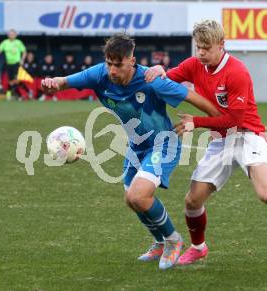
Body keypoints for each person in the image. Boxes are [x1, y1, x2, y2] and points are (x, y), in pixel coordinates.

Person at [145, 20, 267, 265]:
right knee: (192, 202)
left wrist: (197, 122)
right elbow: (168, 81)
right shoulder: (194, 64)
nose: (201, 52)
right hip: (221, 139)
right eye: (198, 47)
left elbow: (234, 119)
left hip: (248, 135)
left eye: (206, 47)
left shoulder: (237, 72)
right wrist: (160, 71)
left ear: (221, 45)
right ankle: (198, 247)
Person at [41, 33, 220, 270]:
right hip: (137, 146)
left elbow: (192, 97)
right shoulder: (99, 74)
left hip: (164, 144)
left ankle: (172, 240)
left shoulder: (151, 80)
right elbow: (64, 82)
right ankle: (158, 242)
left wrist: (218, 121)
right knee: (131, 200)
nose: (112, 70)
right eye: (109, 63)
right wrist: (52, 84)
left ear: (131, 61)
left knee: (138, 196)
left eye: (118, 65)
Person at [0, 29, 26, 100]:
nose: (11, 35)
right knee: (10, 80)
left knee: (16, 80)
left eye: (12, 34)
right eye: (10, 34)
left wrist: (22, 60)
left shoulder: (18, 42)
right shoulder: (5, 42)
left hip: (17, 63)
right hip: (8, 64)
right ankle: (10, 94)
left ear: (15, 35)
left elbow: (24, 51)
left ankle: (22, 93)